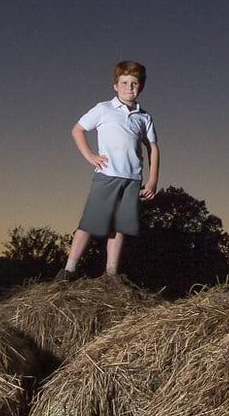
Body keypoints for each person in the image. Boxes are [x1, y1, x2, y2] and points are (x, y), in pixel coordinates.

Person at [61, 61, 159, 280]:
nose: (129, 87)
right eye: (124, 82)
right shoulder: (103, 109)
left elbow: (152, 147)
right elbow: (77, 130)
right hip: (107, 175)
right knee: (89, 223)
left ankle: (111, 273)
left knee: (119, 226)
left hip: (132, 179)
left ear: (141, 86)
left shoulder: (144, 117)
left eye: (134, 83)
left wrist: (152, 179)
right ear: (115, 85)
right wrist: (91, 156)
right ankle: (68, 270)